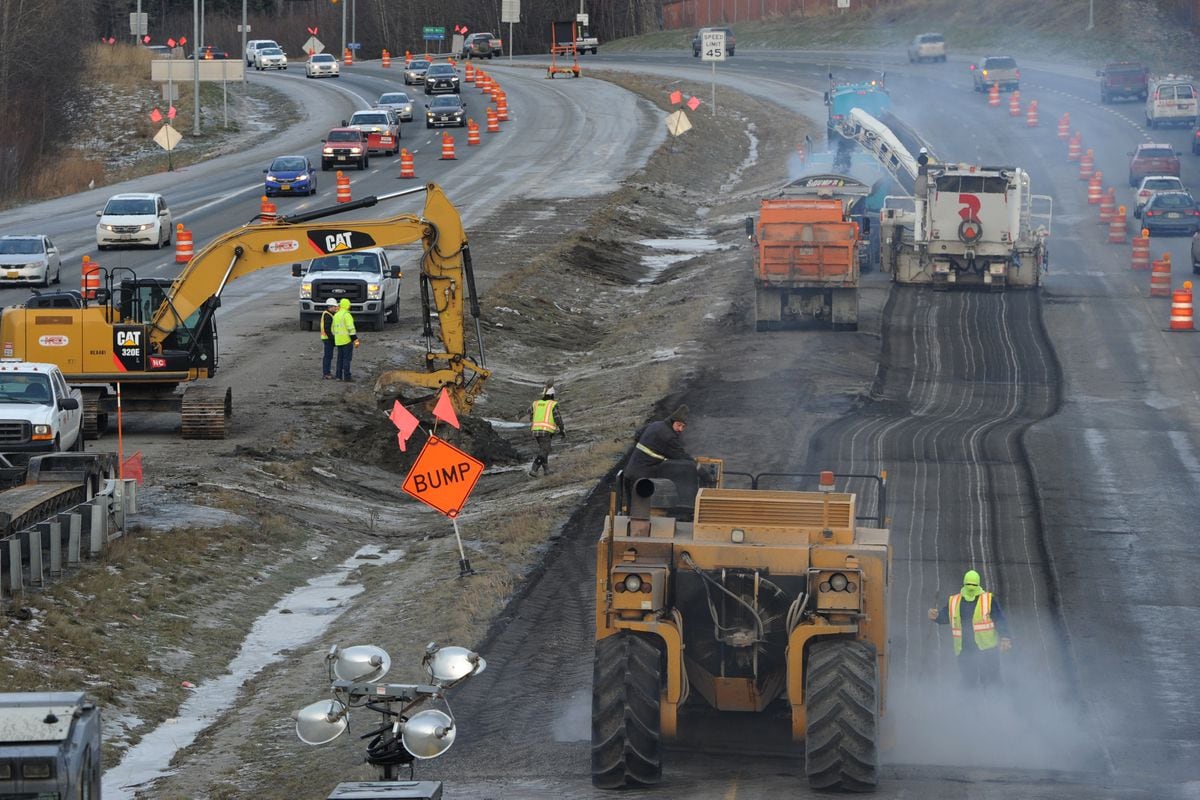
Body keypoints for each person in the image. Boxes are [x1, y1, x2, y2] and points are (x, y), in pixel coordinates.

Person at [928, 569, 1013, 688]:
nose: (971, 587)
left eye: (973, 585)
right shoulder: (954, 601)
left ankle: (994, 704)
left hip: (987, 651)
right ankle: (973, 704)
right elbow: (945, 617)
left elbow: (999, 619)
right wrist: (936, 616)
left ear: (978, 584)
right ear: (964, 584)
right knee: (969, 683)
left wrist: (1005, 637)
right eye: (969, 585)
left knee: (992, 683)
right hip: (965, 652)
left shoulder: (988, 600)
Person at [623, 405, 699, 504]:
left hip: (629, 473)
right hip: (642, 480)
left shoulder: (655, 424)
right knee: (643, 510)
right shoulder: (669, 437)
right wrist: (698, 467)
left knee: (633, 510)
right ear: (672, 421)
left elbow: (638, 435)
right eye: (679, 425)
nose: (680, 429)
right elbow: (681, 456)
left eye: (683, 427)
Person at [528, 383, 565, 476]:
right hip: (545, 431)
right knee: (545, 450)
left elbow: (530, 414)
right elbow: (558, 419)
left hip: (535, 431)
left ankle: (546, 471)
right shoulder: (552, 405)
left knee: (543, 450)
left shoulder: (536, 403)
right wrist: (562, 429)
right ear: (552, 395)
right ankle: (534, 469)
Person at [331, 298, 359, 382]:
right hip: (347, 340)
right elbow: (351, 328)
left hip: (338, 341)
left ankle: (338, 376)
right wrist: (355, 340)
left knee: (339, 359)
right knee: (347, 359)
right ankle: (347, 376)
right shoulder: (347, 315)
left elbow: (332, 329)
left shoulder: (336, 315)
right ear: (347, 305)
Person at [320, 297, 338, 380]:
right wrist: (333, 339)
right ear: (330, 307)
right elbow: (327, 329)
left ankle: (326, 373)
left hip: (327, 338)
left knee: (328, 356)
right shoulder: (328, 315)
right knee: (328, 356)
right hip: (328, 339)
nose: (336, 308)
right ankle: (326, 373)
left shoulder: (328, 314)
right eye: (335, 307)